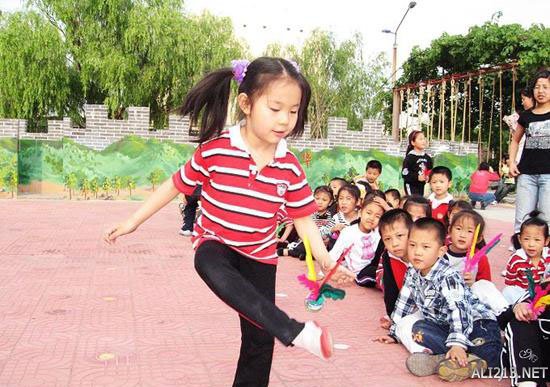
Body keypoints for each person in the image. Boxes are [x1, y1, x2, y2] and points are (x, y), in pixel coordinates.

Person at [103, 57, 355, 387]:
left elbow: (304, 220)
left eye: (293, 111)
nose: (284, 120)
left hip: (260, 255)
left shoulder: (290, 167)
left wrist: (326, 258)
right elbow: (175, 184)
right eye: (275, 108)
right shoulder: (216, 150)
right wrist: (132, 222)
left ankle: (278, 332)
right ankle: (292, 330)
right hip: (216, 244)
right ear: (246, 104)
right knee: (207, 262)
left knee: (259, 341)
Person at [375, 218, 501, 382]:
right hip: (445, 326)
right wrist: (394, 333)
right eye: (412, 245)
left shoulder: (447, 276)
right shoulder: (413, 272)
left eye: (425, 247)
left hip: (476, 323)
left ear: (441, 251)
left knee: (489, 353)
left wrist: (457, 344)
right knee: (419, 328)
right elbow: (403, 304)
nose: (417, 252)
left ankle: (459, 356)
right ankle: (460, 360)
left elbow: (459, 311)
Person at [509, 70, 550, 234]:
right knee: (522, 218)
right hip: (527, 174)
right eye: (537, 87)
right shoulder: (526, 116)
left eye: (545, 87)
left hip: (549, 175)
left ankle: (545, 257)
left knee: (546, 218)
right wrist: (512, 162)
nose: (541, 91)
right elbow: (515, 140)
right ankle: (519, 255)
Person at [445, 210, 508, 314]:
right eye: (458, 228)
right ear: (449, 230)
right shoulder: (440, 253)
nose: (462, 235)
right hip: (443, 299)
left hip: (470, 302)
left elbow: (486, 286)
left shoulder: (480, 259)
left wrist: (472, 283)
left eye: (469, 231)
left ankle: (504, 313)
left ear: (478, 238)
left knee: (483, 285)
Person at [498, 282, 550, 387]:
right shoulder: (543, 290)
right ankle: (527, 383)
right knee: (519, 322)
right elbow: (502, 320)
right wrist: (517, 308)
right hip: (532, 359)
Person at [329, 193, 384, 283]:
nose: (372, 218)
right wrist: (322, 272)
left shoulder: (378, 233)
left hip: (371, 269)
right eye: (369, 213)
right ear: (360, 213)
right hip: (358, 273)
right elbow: (335, 253)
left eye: (377, 216)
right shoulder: (348, 232)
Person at [503, 211, 550, 304]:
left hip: (543, 296)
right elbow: (509, 284)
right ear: (520, 239)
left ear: (546, 241)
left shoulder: (548, 254)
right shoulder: (516, 259)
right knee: (507, 292)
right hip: (522, 296)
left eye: (537, 240)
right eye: (526, 239)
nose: (531, 244)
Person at [278, 185, 334, 259]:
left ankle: (289, 252)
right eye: (317, 198)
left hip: (321, 242)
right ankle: (305, 254)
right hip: (306, 239)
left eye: (324, 200)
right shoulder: (309, 214)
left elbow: (329, 230)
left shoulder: (330, 216)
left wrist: (323, 236)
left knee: (318, 247)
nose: (320, 202)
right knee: (304, 244)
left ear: (330, 202)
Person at [325, 184, 361, 250]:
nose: (343, 202)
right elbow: (325, 232)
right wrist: (333, 229)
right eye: (341, 198)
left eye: (348, 199)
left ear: (358, 201)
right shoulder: (336, 217)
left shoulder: (362, 217)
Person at [401, 130, 433, 196]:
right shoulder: (410, 157)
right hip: (411, 186)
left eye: (424, 138)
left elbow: (430, 171)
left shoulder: (428, 158)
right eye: (420, 139)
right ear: (413, 142)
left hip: (422, 186)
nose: (424, 141)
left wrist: (428, 177)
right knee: (413, 202)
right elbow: (404, 173)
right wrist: (417, 177)